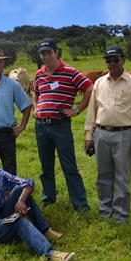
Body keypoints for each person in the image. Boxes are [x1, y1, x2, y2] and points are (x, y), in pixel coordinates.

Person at [0, 143, 75, 261]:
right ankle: (50, 254)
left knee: (20, 190)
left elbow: (28, 183)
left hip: (0, 214)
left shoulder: (0, 174)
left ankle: (44, 229)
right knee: (18, 221)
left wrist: (21, 200)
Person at [84, 45, 131, 224]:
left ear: (123, 60)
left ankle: (121, 216)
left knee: (122, 177)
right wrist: (89, 135)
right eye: (108, 60)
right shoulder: (99, 82)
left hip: (124, 134)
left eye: (115, 60)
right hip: (101, 134)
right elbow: (92, 110)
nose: (112, 63)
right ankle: (105, 212)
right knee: (103, 176)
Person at [32, 38, 93, 212]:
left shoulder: (70, 72)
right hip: (41, 126)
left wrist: (77, 110)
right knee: (46, 167)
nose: (46, 57)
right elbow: (35, 93)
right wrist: (36, 107)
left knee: (69, 166)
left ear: (56, 53)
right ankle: (48, 200)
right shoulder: (39, 74)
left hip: (60, 125)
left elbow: (89, 88)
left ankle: (81, 205)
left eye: (49, 53)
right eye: (43, 54)